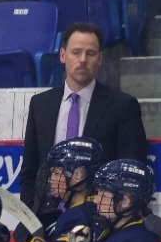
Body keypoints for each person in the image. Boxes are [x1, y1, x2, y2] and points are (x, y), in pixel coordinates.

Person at [18, 23, 149, 210]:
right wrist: (34, 218)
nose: (82, 60)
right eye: (76, 52)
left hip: (97, 217)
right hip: (46, 217)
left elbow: (131, 171)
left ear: (100, 59)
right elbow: (30, 171)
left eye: (90, 53)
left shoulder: (122, 106)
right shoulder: (40, 104)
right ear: (63, 55)